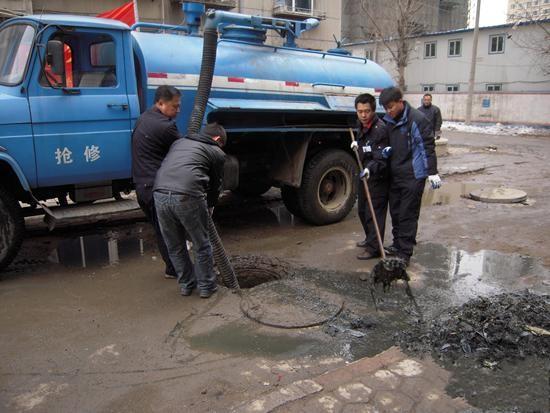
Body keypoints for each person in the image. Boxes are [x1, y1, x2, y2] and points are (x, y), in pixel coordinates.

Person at [153, 123, 227, 299]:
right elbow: (215, 186)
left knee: (175, 245)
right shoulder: (216, 152)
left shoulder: (179, 143)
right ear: (217, 139)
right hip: (187, 195)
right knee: (201, 244)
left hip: (159, 194)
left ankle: (186, 285)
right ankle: (206, 287)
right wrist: (210, 206)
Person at [379, 87, 441, 266]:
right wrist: (385, 151)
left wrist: (432, 172)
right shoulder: (389, 120)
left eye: (390, 107)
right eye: (385, 108)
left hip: (413, 175)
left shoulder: (417, 119)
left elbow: (427, 147)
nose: (388, 111)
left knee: (408, 214)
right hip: (396, 174)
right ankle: (398, 244)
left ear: (400, 101)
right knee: (396, 212)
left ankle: (404, 253)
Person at [131, 85, 183, 279]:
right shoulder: (166, 126)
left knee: (163, 230)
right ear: (160, 103)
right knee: (170, 231)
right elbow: (183, 153)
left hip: (141, 187)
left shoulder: (143, 118)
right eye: (174, 106)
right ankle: (177, 270)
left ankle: (174, 268)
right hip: (155, 188)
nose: (178, 111)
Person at [351, 93, 392, 260]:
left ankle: (374, 248)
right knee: (362, 211)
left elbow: (382, 157)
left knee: (373, 213)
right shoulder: (361, 126)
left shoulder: (380, 129)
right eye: (360, 111)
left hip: (378, 176)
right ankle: (370, 239)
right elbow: (365, 148)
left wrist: (370, 169)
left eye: (366, 111)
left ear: (373, 110)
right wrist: (357, 146)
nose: (363, 115)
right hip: (365, 175)